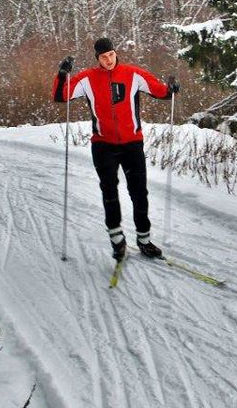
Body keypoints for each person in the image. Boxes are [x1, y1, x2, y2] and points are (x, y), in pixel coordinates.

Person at [53, 37, 180, 261]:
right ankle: (117, 241)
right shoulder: (87, 79)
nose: (108, 59)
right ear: (97, 58)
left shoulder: (133, 74)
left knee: (139, 193)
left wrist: (171, 88)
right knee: (109, 192)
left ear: (115, 52)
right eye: (103, 57)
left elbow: (161, 92)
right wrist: (63, 75)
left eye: (111, 54)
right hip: (103, 146)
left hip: (132, 144)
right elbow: (60, 96)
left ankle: (144, 240)